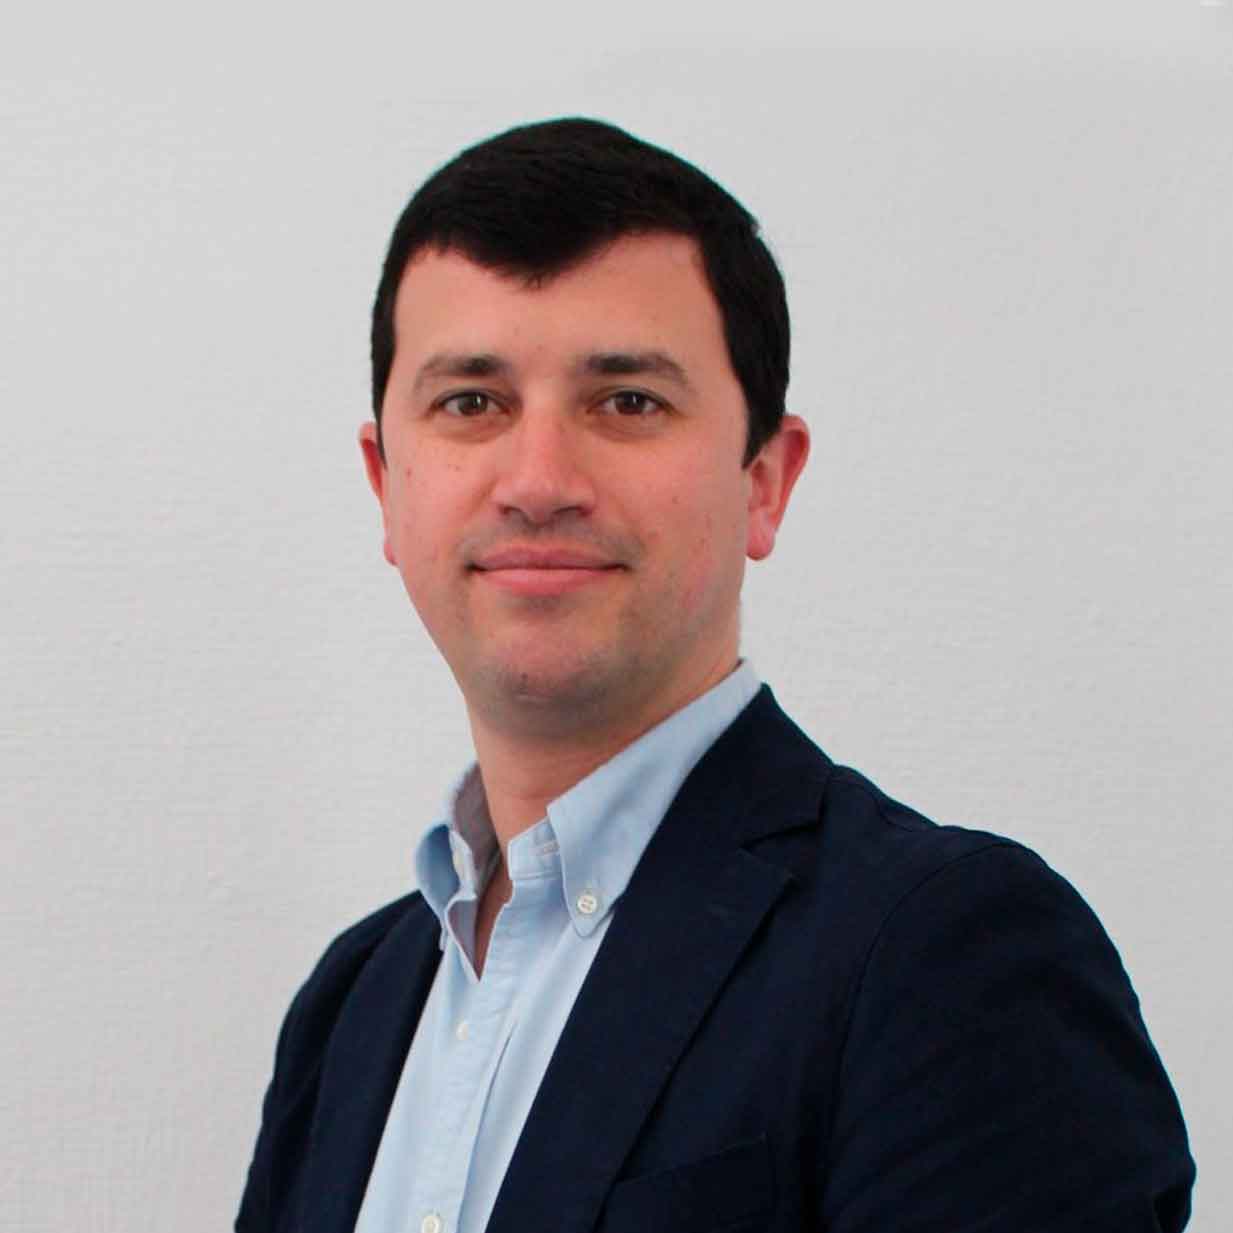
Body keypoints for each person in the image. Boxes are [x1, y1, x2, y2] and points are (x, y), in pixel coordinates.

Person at [235, 118, 1195, 1233]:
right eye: (472, 403)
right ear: (385, 484)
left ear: (765, 482)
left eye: (627, 401)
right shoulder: (349, 1011)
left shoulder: (944, 958)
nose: (537, 480)